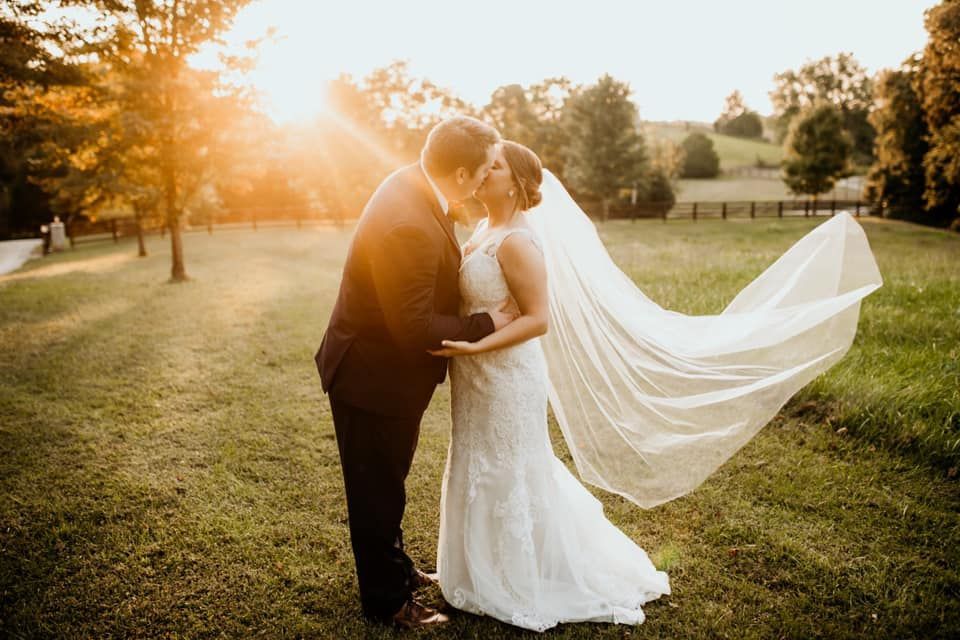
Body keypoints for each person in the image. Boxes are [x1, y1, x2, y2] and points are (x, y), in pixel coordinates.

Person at [429, 140, 881, 631]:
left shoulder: (517, 240)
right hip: (476, 377)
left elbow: (538, 320)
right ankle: (476, 570)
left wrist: (476, 347)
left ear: (515, 183)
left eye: (492, 168)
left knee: (510, 467)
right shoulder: (483, 229)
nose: (480, 175)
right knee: (476, 458)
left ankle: (518, 576)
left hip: (506, 375)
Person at [314, 116, 516, 629]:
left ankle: (397, 569)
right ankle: (387, 602)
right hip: (372, 379)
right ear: (464, 174)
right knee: (376, 492)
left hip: (381, 373)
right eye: (488, 166)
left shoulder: (413, 181)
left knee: (389, 482)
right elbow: (413, 328)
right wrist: (486, 321)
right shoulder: (410, 221)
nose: (494, 173)